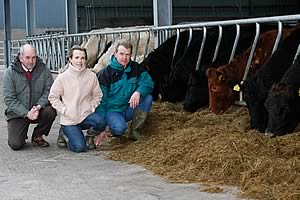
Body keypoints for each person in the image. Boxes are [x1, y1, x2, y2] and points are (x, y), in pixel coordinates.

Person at [48, 45, 106, 153]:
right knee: (79, 147)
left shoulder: (91, 76)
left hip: (85, 115)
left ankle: (89, 137)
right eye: (77, 58)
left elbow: (98, 95)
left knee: (101, 122)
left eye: (83, 58)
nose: (80, 61)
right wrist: (64, 110)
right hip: (69, 119)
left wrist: (91, 107)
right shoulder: (62, 77)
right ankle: (65, 134)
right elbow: (53, 97)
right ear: (70, 59)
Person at [96, 39, 154, 143]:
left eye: (127, 54)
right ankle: (112, 128)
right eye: (121, 54)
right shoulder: (105, 74)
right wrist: (101, 126)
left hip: (128, 107)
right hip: (113, 111)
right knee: (120, 128)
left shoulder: (136, 68)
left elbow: (149, 83)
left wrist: (138, 92)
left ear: (131, 54)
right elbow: (101, 101)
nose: (124, 58)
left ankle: (135, 131)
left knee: (147, 97)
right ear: (115, 54)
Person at [3, 44, 57, 150]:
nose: (31, 61)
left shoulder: (44, 69)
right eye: (27, 58)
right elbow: (9, 99)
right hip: (18, 113)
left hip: (38, 109)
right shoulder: (10, 73)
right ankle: (22, 133)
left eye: (33, 57)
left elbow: (49, 91)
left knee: (51, 111)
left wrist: (38, 106)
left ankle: (38, 135)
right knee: (15, 145)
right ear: (20, 57)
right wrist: (26, 113)